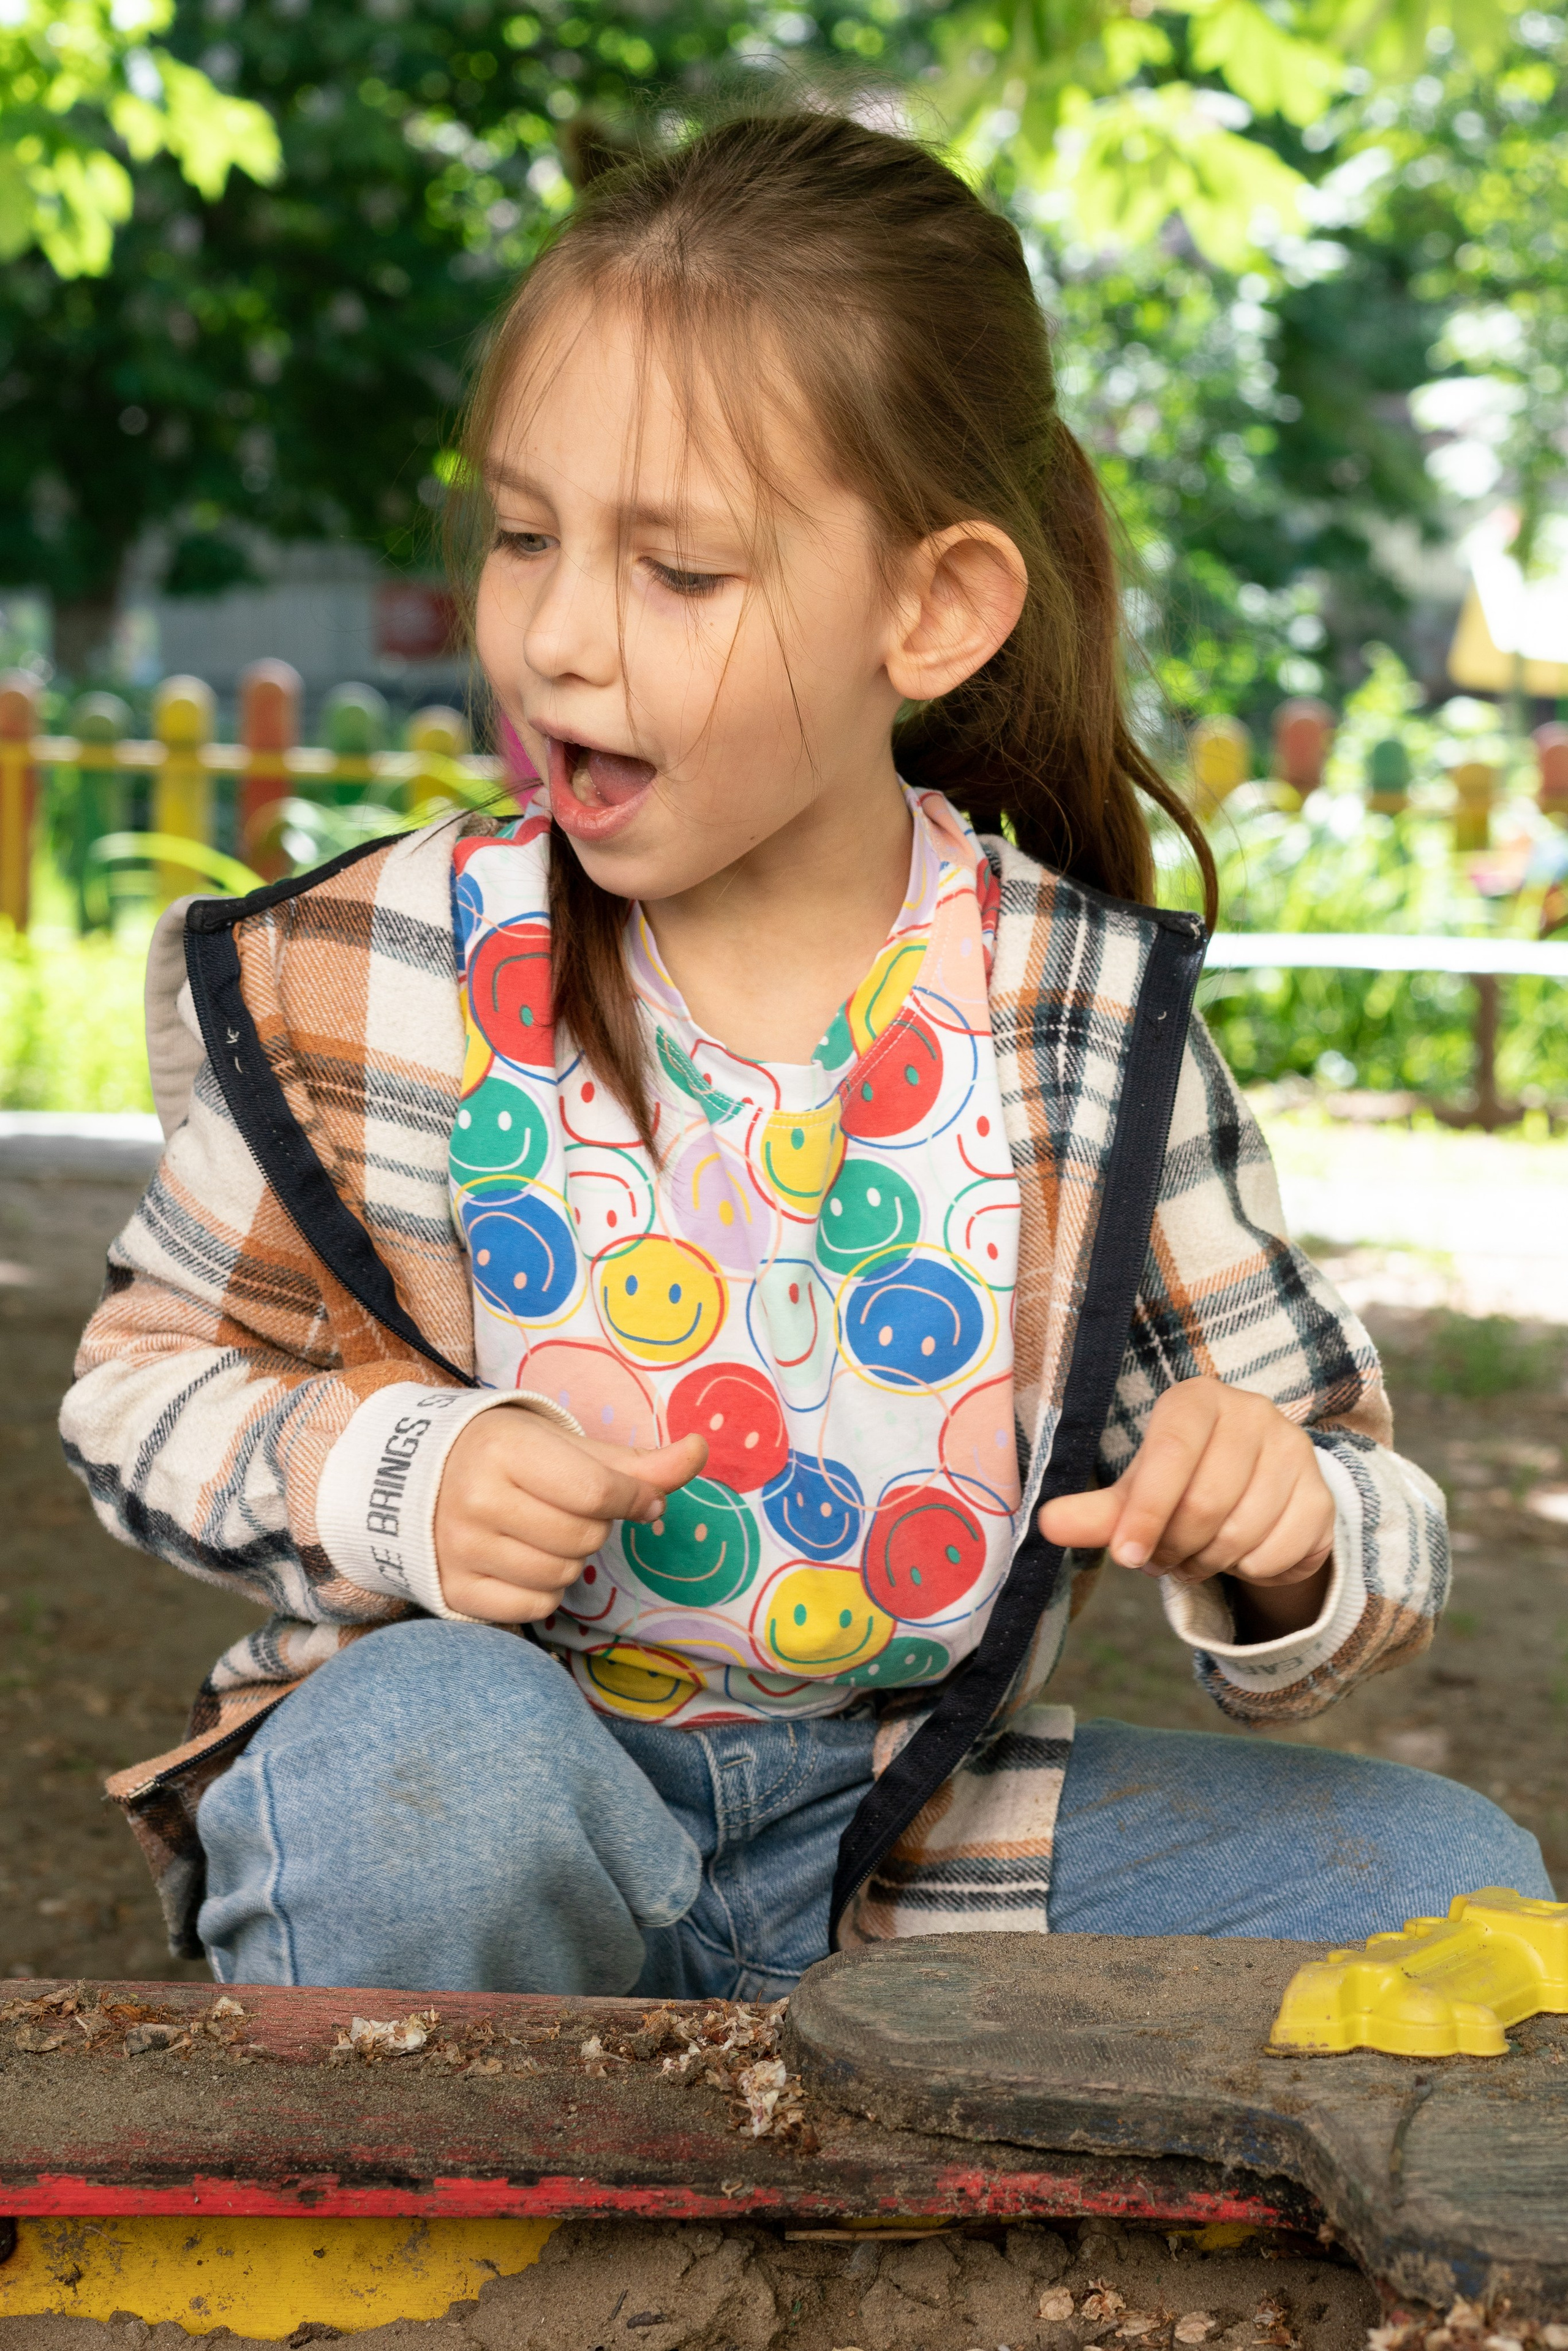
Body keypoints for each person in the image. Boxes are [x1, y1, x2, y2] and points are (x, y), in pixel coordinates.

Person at [62, 113, 1548, 1997]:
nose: (560, 640)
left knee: (1447, 1882)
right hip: (501, 1808)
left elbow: (1359, 1506)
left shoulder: (1071, 1024)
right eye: (524, 537)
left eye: (679, 570)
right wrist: (389, 1468)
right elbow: (134, 1389)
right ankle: (466, 2203)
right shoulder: (388, 973)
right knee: (428, 1769)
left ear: (928, 610)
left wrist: (1281, 1525)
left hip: (905, 1843)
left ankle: (808, 2083)